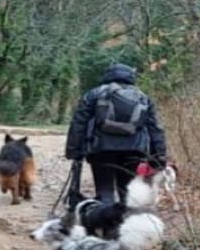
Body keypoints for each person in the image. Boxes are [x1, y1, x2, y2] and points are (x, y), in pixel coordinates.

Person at [65, 62, 167, 207]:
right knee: (127, 190)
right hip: (134, 150)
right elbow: (155, 128)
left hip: (101, 149)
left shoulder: (94, 93)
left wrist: (73, 150)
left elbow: (78, 123)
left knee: (104, 190)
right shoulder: (143, 97)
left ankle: (105, 225)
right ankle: (127, 224)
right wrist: (159, 156)